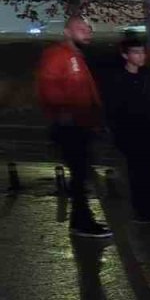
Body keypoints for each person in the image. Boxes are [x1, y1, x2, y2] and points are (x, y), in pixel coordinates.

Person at [35, 17, 111, 237]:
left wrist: (95, 118)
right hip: (70, 127)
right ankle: (82, 222)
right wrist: (65, 115)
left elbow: (87, 92)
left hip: (81, 125)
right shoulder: (59, 56)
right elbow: (49, 88)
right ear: (67, 32)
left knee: (81, 173)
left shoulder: (76, 56)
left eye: (89, 29)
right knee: (80, 173)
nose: (87, 33)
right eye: (81, 29)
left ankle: (81, 220)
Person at [100, 38, 150, 224]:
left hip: (149, 130)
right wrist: (117, 135)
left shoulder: (146, 75)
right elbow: (113, 110)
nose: (141, 56)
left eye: (142, 52)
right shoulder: (117, 80)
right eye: (136, 53)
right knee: (137, 173)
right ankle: (142, 210)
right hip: (131, 133)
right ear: (126, 55)